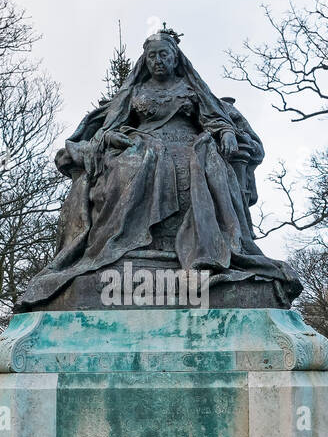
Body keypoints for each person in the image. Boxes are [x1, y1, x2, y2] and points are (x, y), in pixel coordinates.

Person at [16, 27, 302, 310]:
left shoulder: (191, 89)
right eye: (152, 57)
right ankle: (127, 243)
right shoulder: (136, 91)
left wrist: (226, 132)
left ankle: (207, 250)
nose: (158, 61)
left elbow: (215, 118)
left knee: (206, 165)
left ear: (175, 57)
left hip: (189, 142)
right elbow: (108, 127)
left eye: (163, 55)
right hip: (143, 143)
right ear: (145, 60)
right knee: (129, 166)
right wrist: (110, 137)